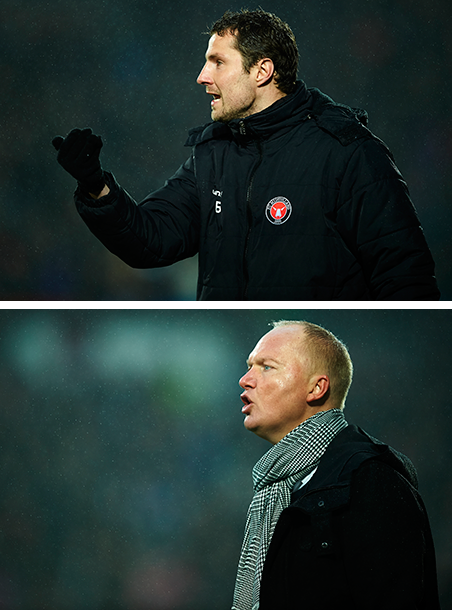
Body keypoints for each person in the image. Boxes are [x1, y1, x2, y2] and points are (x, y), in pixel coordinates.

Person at [52, 9, 440, 301]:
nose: (202, 76)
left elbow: (407, 279)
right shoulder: (214, 153)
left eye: (218, 62)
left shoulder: (348, 152)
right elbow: (151, 240)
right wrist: (95, 185)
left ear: (262, 71)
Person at [234, 320, 440, 609]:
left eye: (266, 367)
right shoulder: (279, 487)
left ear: (317, 388)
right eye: (250, 366)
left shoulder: (372, 479)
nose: (245, 379)